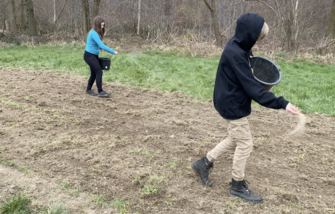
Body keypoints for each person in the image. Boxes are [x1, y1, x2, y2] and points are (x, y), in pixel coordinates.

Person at [191, 13, 300, 204]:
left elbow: (248, 77)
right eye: (258, 38)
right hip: (232, 104)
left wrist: (262, 85)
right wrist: (282, 103)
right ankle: (237, 186)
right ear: (249, 34)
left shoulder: (239, 46)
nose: (257, 42)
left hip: (229, 99)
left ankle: (203, 163)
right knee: (245, 143)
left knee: (236, 138)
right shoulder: (236, 54)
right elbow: (253, 90)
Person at [84, 16, 118, 97]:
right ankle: (100, 91)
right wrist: (113, 52)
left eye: (103, 25)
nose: (102, 27)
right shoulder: (94, 33)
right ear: (97, 25)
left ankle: (88, 90)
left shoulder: (95, 32)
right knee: (99, 71)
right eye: (101, 25)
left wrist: (99, 48)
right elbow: (102, 45)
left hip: (94, 55)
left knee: (94, 73)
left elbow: (95, 44)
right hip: (89, 56)